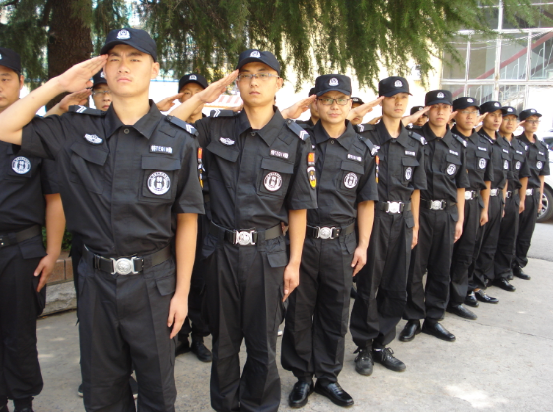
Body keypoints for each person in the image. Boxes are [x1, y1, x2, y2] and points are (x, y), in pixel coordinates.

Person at [0, 29, 205, 412]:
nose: (123, 66)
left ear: (154, 68)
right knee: (102, 395)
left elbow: (188, 219)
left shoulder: (179, 138)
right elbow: (4, 127)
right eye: (114, 58)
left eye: (135, 58)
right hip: (96, 283)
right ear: (104, 69)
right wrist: (59, 85)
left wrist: (182, 293)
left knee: (158, 395)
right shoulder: (76, 129)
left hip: (154, 284)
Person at [170, 49, 317, 412]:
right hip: (220, 252)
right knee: (223, 344)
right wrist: (204, 97)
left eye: (263, 74)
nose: (254, 81)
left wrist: (294, 262)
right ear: (236, 82)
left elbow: (299, 208)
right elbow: (166, 127)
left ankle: (258, 406)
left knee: (262, 344)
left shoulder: (295, 139)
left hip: (268, 255)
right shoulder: (214, 128)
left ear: (278, 83)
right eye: (246, 74)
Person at [281, 74, 377, 409]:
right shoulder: (299, 141)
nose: (334, 106)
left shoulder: (363, 149)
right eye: (327, 100)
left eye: (341, 100)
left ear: (350, 104)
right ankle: (302, 376)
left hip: (342, 244)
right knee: (299, 311)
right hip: (303, 242)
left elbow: (366, 202)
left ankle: (328, 377)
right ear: (316, 104)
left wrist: (363, 245)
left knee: (335, 311)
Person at [0, 47, 66, 413]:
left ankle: (23, 402)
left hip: (20, 252)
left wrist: (53, 252)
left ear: (21, 82)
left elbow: (54, 199)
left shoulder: (35, 135)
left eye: (5, 78)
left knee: (20, 332)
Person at [349, 76, 426, 377]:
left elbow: (416, 189)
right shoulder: (365, 136)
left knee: (396, 284)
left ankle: (382, 343)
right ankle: (364, 345)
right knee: (368, 284)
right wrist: (361, 111)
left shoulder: (415, 142)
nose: (399, 102)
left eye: (403, 97)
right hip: (375, 218)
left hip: (403, 220)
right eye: (392, 97)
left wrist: (415, 225)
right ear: (381, 100)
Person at [401, 90, 469, 343]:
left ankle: (433, 319)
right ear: (426, 110)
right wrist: (414, 222)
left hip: (448, 214)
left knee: (441, 268)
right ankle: (413, 318)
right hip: (421, 212)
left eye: (445, 107)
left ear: (451, 111)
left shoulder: (459, 145)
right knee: (415, 268)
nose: (440, 112)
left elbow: (461, 186)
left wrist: (460, 219)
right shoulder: (413, 139)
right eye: (435, 107)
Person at [173, 73, 212, 362]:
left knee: (200, 277)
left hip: (205, 212)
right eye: (186, 92)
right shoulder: (170, 128)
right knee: (172, 273)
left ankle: (198, 335)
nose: (192, 97)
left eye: (198, 92)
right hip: (172, 212)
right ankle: (178, 335)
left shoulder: (213, 129)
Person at [447, 97, 494, 319]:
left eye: (473, 112)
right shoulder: (447, 138)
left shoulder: (483, 143)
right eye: (464, 112)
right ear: (454, 114)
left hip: (474, 202)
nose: (469, 116)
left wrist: (484, 209)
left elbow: (487, 179)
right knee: (445, 253)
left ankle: (458, 296)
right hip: (450, 203)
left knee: (467, 251)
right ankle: (440, 296)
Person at [469, 101, 510, 300]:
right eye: (492, 115)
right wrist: (484, 207)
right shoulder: (475, 139)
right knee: (474, 245)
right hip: (479, 198)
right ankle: (468, 287)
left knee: (489, 245)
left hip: (496, 198)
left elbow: (505, 176)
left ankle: (479, 285)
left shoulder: (503, 143)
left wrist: (502, 202)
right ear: (483, 116)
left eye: (499, 115)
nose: (497, 119)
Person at [493, 107, 531, 291]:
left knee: (509, 238)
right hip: (496, 197)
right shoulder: (493, 142)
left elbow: (524, 175)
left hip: (513, 198)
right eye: (506, 118)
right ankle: (485, 275)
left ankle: (502, 274)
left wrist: (521, 199)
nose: (509, 123)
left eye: (513, 120)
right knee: (491, 238)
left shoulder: (519, 146)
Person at [514, 109, 550, 280]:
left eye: (537, 121)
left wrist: (540, 198)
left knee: (526, 234)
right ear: (522, 123)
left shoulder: (541, 147)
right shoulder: (516, 143)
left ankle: (519, 264)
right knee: (512, 232)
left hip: (533, 195)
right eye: (530, 120)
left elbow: (541, 176)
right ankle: (506, 264)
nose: (534, 124)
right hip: (518, 194)